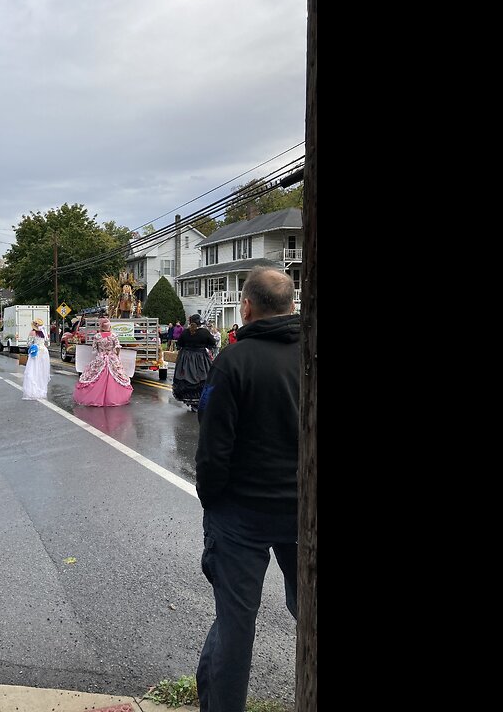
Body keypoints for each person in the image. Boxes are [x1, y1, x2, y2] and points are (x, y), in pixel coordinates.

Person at [193, 267, 301, 711]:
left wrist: (212, 501)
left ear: (247, 305)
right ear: (292, 306)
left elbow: (213, 448)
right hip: (303, 512)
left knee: (236, 626)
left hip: (241, 514)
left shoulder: (233, 361)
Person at [72, 317, 133, 406]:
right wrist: (116, 356)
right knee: (116, 376)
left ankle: (94, 397)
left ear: (101, 327)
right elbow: (117, 347)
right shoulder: (113, 336)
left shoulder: (97, 336)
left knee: (95, 376)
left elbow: (94, 349)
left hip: (100, 358)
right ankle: (113, 397)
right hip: (112, 358)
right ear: (109, 326)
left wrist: (100, 353)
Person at [172, 314, 216, 412]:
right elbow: (213, 343)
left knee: (186, 380)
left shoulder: (185, 332)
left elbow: (179, 345)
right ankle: (199, 402)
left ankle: (192, 403)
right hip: (201, 359)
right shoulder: (204, 332)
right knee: (203, 378)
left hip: (186, 359)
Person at [21, 319, 51, 400]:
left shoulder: (32, 332)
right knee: (42, 371)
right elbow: (47, 343)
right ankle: (41, 389)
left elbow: (29, 344)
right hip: (44, 352)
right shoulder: (43, 333)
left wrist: (34, 346)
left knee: (33, 371)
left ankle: (33, 390)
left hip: (36, 352)